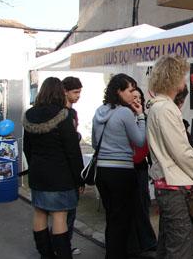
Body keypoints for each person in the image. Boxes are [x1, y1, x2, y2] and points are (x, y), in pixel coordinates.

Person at [146, 55, 193, 259]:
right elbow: (182, 151)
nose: (184, 83)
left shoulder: (158, 107)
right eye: (182, 77)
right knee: (180, 247)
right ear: (173, 79)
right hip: (175, 187)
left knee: (168, 245)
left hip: (167, 185)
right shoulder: (166, 108)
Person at [23, 77, 84, 259]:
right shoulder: (64, 115)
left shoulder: (29, 114)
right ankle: (63, 255)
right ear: (60, 92)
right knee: (59, 216)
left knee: (40, 213)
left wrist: (34, 166)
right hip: (60, 176)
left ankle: (46, 254)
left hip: (37, 174)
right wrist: (79, 178)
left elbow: (27, 148)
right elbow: (72, 151)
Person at [92, 73, 146, 259]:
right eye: (130, 90)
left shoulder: (100, 111)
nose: (133, 94)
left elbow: (94, 142)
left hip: (102, 172)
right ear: (118, 91)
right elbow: (139, 140)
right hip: (121, 172)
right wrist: (140, 116)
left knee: (111, 219)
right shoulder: (124, 112)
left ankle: (111, 253)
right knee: (122, 221)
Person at [127, 87, 157, 256]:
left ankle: (146, 241)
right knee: (132, 204)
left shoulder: (145, 117)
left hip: (141, 165)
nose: (137, 100)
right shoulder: (125, 117)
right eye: (134, 97)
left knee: (143, 203)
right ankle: (135, 242)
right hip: (127, 165)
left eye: (139, 97)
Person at [62, 76, 83, 256]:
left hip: (68, 170)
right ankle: (62, 248)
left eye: (79, 92)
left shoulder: (73, 113)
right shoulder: (63, 114)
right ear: (65, 92)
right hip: (65, 171)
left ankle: (63, 246)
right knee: (65, 213)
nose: (78, 96)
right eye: (75, 92)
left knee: (69, 213)